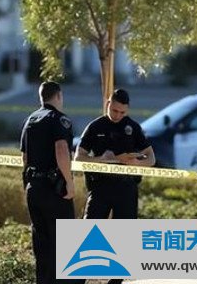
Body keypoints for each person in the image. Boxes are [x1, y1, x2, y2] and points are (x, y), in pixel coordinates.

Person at [75, 88, 155, 284]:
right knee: (89, 233)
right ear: (108, 104)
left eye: (122, 112)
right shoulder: (95, 126)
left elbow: (151, 158)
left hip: (126, 188)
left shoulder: (133, 127)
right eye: (115, 110)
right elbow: (78, 158)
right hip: (100, 188)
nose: (118, 115)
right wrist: (101, 159)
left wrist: (137, 163)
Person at [20, 81, 80, 284]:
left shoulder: (30, 120)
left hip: (34, 188)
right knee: (63, 242)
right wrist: (69, 182)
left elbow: (25, 157)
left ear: (41, 97)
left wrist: (27, 184)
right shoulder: (59, 119)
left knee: (41, 243)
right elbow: (61, 149)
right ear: (59, 96)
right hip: (54, 190)